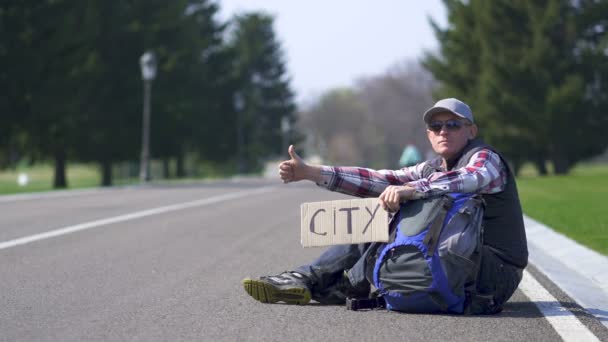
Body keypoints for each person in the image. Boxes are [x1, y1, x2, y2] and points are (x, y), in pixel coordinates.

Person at [242, 98, 528, 314]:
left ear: (471, 130)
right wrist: (313, 173)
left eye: (453, 124)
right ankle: (321, 281)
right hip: (461, 264)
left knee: (401, 207)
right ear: (428, 134)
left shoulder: (486, 158)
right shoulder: (431, 168)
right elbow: (380, 179)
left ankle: (324, 281)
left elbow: (466, 179)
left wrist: (410, 190)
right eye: (436, 126)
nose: (444, 131)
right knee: (381, 209)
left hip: (495, 273)